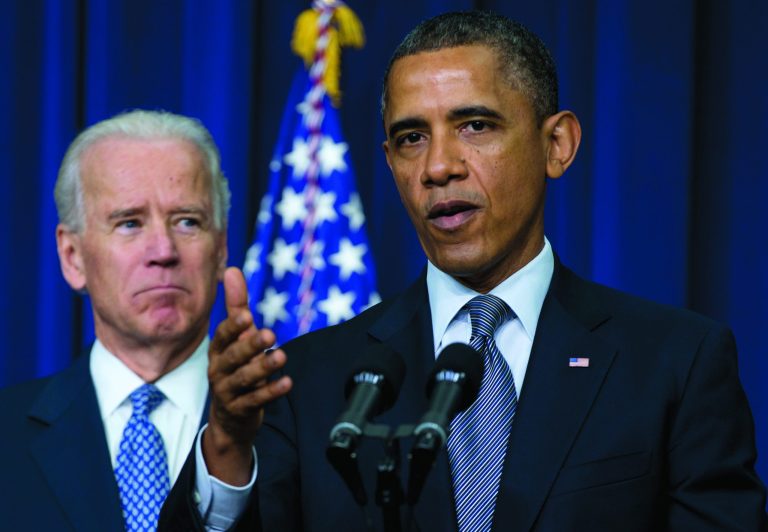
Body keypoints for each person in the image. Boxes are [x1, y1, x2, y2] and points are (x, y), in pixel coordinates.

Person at [161, 11, 767, 531]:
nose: (439, 166)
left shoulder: (675, 363)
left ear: (557, 144)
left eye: (474, 126)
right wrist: (227, 445)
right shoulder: (310, 383)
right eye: (410, 138)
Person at [0, 109, 233, 531]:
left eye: (187, 221)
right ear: (73, 258)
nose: (163, 249)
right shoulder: (5, 436)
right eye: (129, 223)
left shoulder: (289, 426)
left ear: (220, 249)